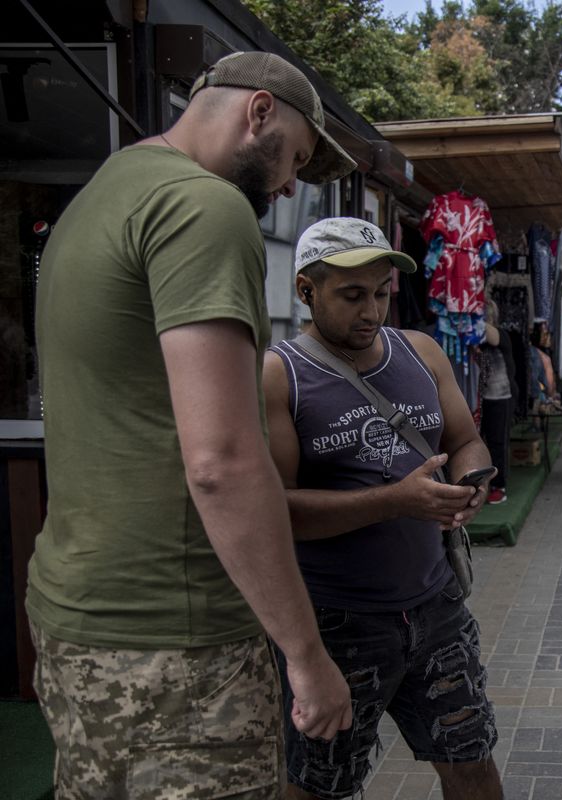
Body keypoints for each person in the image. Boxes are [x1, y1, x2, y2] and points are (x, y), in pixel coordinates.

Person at [26, 51, 356, 798]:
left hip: (73, 611)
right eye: (296, 158)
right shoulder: (204, 206)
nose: (292, 184)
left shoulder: (104, 191)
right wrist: (306, 655)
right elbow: (222, 462)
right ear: (259, 113)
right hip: (175, 638)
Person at [264, 217, 502, 800]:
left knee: (471, 763)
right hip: (336, 622)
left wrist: (470, 481)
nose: (371, 311)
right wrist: (395, 501)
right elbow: (276, 512)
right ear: (306, 291)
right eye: (352, 295)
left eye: (380, 293)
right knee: (318, 785)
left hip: (436, 606)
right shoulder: (279, 375)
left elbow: (465, 439)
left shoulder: (420, 350)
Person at [480, 299, 516, 504]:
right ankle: (480, 484)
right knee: (478, 440)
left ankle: (499, 486)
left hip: (500, 397)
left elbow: (492, 337)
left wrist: (469, 313)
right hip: (478, 397)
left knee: (497, 443)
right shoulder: (476, 339)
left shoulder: (500, 335)